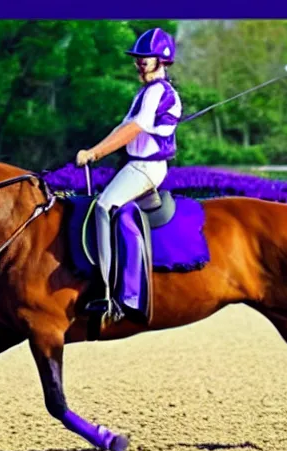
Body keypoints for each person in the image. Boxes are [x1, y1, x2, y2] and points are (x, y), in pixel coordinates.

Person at [75, 27, 182, 320]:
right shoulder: (145, 93)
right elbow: (122, 128)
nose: (139, 63)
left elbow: (135, 129)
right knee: (109, 209)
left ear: (162, 60)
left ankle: (106, 292)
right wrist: (94, 149)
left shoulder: (159, 91)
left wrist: (95, 154)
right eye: (137, 59)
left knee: (103, 206)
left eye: (144, 59)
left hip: (146, 167)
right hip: (135, 165)